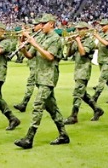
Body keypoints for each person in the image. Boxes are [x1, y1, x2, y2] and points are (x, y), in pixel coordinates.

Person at [14, 13, 69, 149]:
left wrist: (34, 43)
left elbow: (50, 56)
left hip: (49, 76)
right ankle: (63, 135)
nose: (40, 26)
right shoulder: (41, 37)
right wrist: (23, 47)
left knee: (38, 105)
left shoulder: (55, 39)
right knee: (52, 108)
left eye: (43, 23)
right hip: (40, 76)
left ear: (51, 24)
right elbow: (30, 55)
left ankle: (29, 138)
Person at [63, 22, 103, 125]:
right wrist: (70, 43)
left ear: (86, 29)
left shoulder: (89, 41)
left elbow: (83, 52)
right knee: (83, 94)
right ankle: (97, 109)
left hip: (84, 70)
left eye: (81, 29)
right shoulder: (78, 40)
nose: (78, 31)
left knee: (77, 93)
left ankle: (73, 116)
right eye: (77, 29)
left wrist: (78, 41)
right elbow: (68, 54)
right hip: (77, 69)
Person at [14, 18, 45, 112]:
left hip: (39, 64)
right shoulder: (35, 35)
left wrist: (27, 34)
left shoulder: (41, 36)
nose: (34, 27)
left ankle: (25, 103)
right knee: (38, 85)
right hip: (33, 63)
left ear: (41, 25)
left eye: (36, 25)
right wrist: (22, 37)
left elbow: (37, 45)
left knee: (34, 84)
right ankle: (26, 103)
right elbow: (24, 48)